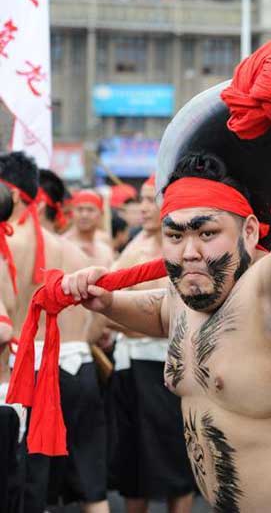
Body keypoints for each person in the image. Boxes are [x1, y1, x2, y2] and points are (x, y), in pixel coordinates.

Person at [62, 137, 271, 510]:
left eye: (207, 233)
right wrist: (108, 302)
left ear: (248, 231)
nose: (190, 251)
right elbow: (161, 311)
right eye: (175, 235)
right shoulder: (188, 291)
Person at [0, 152, 109, 513]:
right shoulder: (75, 251)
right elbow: (101, 317)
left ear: (13, 195)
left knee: (30, 485)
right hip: (80, 368)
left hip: (31, 373)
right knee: (93, 486)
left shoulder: (7, 248)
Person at [106, 175, 194, 513]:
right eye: (140, 200)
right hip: (129, 366)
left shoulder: (183, 250)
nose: (143, 208)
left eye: (149, 200)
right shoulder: (134, 245)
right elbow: (108, 313)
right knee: (132, 465)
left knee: (176, 464)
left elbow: (176, 317)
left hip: (167, 367)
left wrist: (128, 320)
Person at [66, 190, 116, 268]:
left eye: (90, 210)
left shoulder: (105, 247)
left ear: (101, 214)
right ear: (72, 212)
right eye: (80, 209)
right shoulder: (63, 244)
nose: (84, 215)